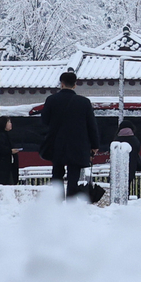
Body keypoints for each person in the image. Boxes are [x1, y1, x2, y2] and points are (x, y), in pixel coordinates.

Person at [40, 71, 98, 200]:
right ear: (75, 85)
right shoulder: (84, 102)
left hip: (56, 143)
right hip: (77, 145)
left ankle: (57, 201)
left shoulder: (51, 100)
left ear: (61, 84)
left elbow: (44, 121)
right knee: (74, 175)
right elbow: (91, 125)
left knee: (57, 173)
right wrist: (94, 145)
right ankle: (71, 203)